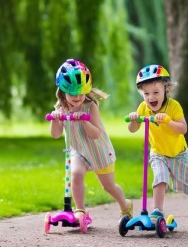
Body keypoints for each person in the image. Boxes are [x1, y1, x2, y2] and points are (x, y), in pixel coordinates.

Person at [127, 64, 188, 223]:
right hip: (158, 152)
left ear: (165, 89)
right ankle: (157, 211)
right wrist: (134, 119)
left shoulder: (173, 106)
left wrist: (168, 121)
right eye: (146, 93)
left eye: (155, 92)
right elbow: (133, 129)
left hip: (179, 154)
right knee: (160, 178)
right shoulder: (143, 108)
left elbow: (183, 128)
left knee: (187, 187)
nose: (151, 97)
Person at [49, 58, 133, 221]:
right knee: (75, 174)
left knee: (108, 186)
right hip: (78, 150)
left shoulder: (90, 106)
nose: (77, 97)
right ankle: (80, 210)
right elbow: (56, 134)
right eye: (72, 93)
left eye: (81, 92)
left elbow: (96, 134)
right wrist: (55, 119)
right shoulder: (60, 108)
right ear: (62, 91)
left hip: (98, 151)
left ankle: (125, 204)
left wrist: (84, 121)